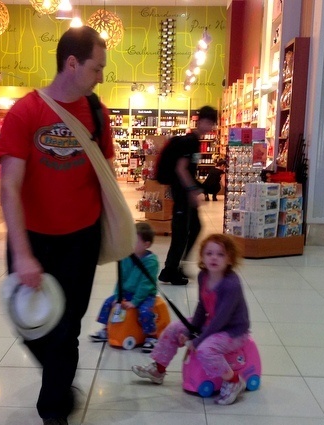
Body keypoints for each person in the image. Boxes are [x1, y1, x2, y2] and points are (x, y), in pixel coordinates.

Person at [0, 26, 113, 425]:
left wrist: (123, 236)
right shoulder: (25, 113)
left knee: (67, 327)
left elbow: (106, 179)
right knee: (32, 325)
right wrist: (23, 254)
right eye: (96, 67)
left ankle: (54, 412)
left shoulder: (98, 115)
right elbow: (9, 187)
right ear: (72, 64)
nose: (101, 75)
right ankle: (61, 383)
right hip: (33, 241)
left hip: (80, 239)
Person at [132, 233, 250, 405]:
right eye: (209, 253)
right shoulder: (204, 276)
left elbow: (221, 320)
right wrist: (190, 330)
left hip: (232, 330)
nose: (214, 258)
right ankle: (158, 369)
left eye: (220, 254)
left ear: (230, 259)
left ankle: (234, 382)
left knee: (204, 349)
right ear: (202, 257)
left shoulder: (231, 284)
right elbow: (202, 307)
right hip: (212, 323)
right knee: (173, 329)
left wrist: (198, 340)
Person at [158, 105, 218, 285]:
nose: (209, 126)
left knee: (195, 227)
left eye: (212, 123)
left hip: (185, 192)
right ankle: (170, 270)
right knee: (181, 232)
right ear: (198, 121)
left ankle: (179, 265)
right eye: (206, 122)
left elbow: (188, 170)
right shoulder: (190, 141)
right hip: (182, 193)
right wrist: (192, 191)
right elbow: (181, 168)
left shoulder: (195, 141)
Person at [90, 222, 159, 352]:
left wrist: (135, 302)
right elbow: (120, 278)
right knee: (108, 303)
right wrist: (118, 296)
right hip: (126, 293)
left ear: (146, 244)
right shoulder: (126, 257)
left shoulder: (151, 262)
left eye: (135, 241)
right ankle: (106, 329)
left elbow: (145, 285)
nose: (130, 243)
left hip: (144, 295)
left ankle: (152, 335)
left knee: (145, 311)